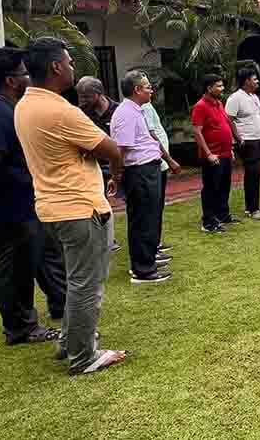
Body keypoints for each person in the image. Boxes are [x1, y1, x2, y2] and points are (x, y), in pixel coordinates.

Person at [15, 37, 127, 375]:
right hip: (80, 208)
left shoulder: (25, 105)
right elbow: (111, 149)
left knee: (77, 280)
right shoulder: (61, 111)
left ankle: (69, 340)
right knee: (87, 284)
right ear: (55, 67)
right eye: (70, 62)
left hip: (51, 207)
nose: (73, 68)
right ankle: (84, 355)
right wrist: (102, 161)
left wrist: (83, 150)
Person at [0, 47, 65, 346]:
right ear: (11, 80)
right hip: (8, 208)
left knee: (44, 255)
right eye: (24, 74)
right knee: (15, 267)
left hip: (27, 203)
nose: (29, 78)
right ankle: (20, 327)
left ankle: (62, 305)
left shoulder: (12, 108)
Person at [111, 70, 179, 284]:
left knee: (149, 217)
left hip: (148, 169)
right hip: (139, 172)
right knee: (142, 220)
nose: (151, 89)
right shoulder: (126, 113)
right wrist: (117, 175)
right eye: (148, 86)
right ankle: (142, 270)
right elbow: (120, 149)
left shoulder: (137, 110)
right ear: (137, 90)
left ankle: (147, 259)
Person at [77, 76, 121, 253]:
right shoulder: (82, 114)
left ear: (98, 94)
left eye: (86, 96)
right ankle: (106, 240)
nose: (82, 101)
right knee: (97, 204)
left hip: (118, 164)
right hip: (93, 166)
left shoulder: (118, 111)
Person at [192, 74, 237, 233]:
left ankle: (222, 215)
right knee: (211, 188)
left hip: (224, 153)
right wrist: (208, 153)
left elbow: (223, 126)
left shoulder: (218, 103)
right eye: (218, 86)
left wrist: (230, 149)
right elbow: (197, 132)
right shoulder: (201, 106)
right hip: (213, 155)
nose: (222, 89)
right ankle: (208, 221)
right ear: (208, 88)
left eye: (222, 85)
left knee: (224, 186)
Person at [226, 67, 260, 221]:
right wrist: (238, 138)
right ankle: (253, 209)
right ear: (246, 81)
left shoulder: (254, 97)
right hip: (247, 141)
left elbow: (258, 115)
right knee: (252, 173)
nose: (257, 81)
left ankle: (253, 204)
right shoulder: (235, 98)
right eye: (254, 79)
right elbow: (229, 119)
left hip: (259, 139)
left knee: (257, 173)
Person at [141, 97, 178, 251]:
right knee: (153, 206)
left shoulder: (145, 106)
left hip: (158, 163)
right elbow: (152, 134)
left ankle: (155, 242)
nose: (151, 90)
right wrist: (169, 159)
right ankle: (152, 245)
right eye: (147, 87)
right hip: (156, 162)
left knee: (157, 205)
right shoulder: (144, 108)